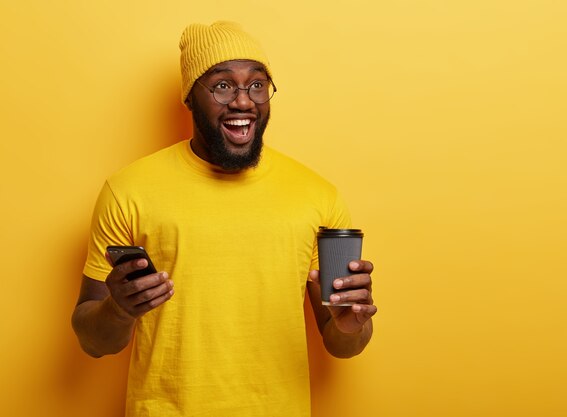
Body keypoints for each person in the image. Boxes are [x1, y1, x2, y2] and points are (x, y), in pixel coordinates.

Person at [71, 21, 377, 417]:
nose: (243, 102)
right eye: (222, 86)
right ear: (189, 98)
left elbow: (342, 343)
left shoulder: (318, 196)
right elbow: (92, 341)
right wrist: (119, 310)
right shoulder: (128, 191)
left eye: (256, 85)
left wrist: (351, 324)